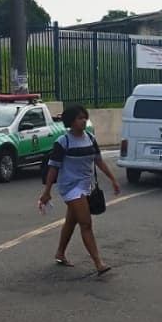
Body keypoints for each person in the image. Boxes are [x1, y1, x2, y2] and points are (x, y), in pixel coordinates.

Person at [39, 105, 121, 276]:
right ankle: (98, 263)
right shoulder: (63, 142)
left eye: (85, 117)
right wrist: (47, 192)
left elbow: (99, 161)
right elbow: (53, 168)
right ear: (71, 121)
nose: (83, 121)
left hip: (86, 186)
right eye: (79, 118)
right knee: (86, 223)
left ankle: (60, 253)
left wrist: (113, 179)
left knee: (72, 221)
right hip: (69, 187)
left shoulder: (90, 139)